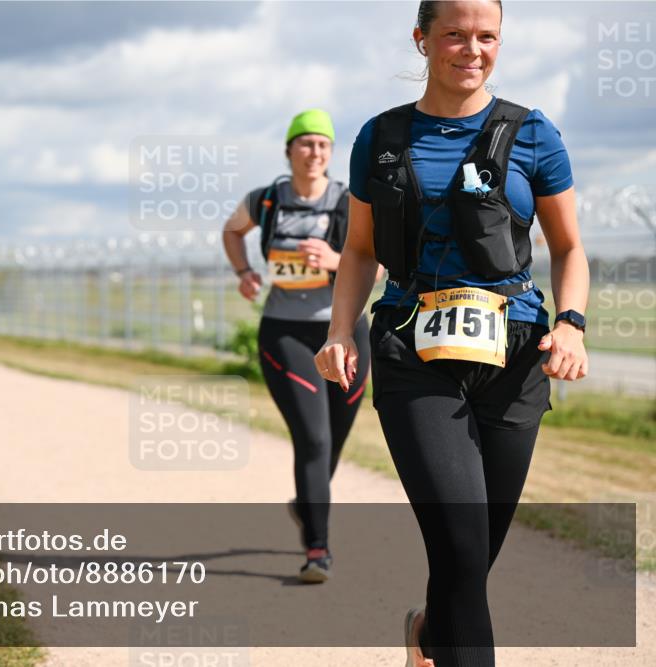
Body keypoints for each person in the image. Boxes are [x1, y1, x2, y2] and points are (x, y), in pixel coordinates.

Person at [314, 1, 588, 665]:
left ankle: (429, 633)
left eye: (487, 36)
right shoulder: (379, 136)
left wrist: (572, 324)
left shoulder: (533, 133)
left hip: (517, 357)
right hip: (414, 354)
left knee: (474, 555)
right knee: (461, 547)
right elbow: (358, 251)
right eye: (455, 35)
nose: (473, 49)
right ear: (422, 40)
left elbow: (570, 248)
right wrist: (340, 329)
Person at [222, 109, 375, 583]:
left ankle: (305, 504)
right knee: (314, 438)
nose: (314, 153)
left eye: (323, 145)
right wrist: (244, 272)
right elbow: (232, 231)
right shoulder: (266, 200)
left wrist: (334, 259)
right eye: (305, 143)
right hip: (285, 332)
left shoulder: (351, 202)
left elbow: (381, 261)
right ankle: (317, 550)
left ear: (332, 154)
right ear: (289, 150)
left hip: (346, 332)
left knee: (334, 440)